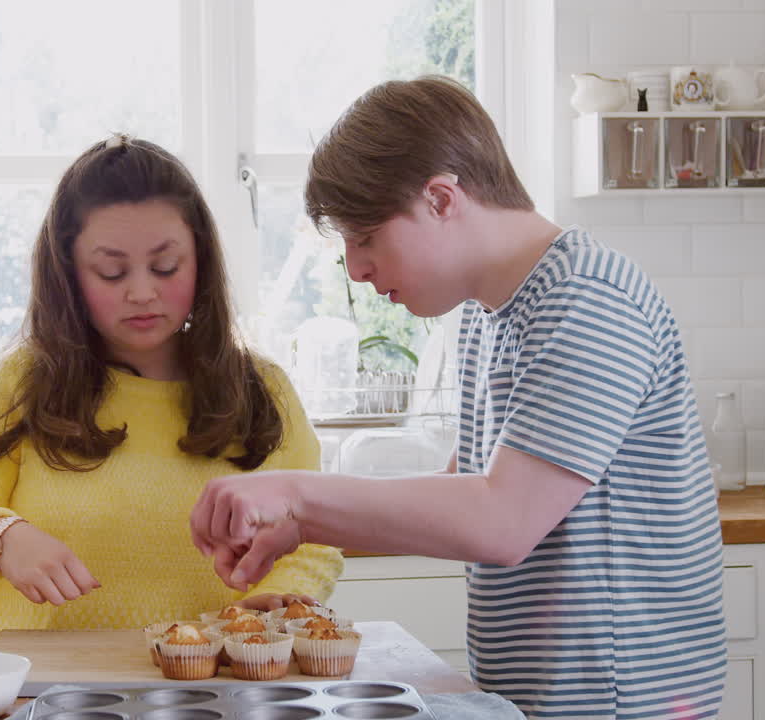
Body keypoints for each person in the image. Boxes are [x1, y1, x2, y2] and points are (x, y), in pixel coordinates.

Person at [190, 76, 726, 719]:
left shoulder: (588, 300)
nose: (355, 269)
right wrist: (301, 525)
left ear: (441, 199)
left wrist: (298, 497)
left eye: (366, 237)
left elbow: (502, 522)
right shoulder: (487, 313)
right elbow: (465, 491)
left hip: (620, 699)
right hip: (548, 694)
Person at [0, 135, 342, 637]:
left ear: (200, 260)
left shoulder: (263, 390)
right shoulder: (15, 387)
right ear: (68, 273)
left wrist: (275, 600)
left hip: (218, 680)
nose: (142, 292)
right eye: (111, 272)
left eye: (166, 266)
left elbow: (314, 539)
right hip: (42, 681)